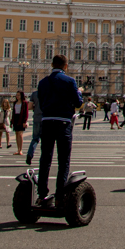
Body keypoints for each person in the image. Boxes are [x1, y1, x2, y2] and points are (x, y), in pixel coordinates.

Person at [36, 55, 83, 206]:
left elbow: (41, 102)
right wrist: (79, 93)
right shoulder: (70, 81)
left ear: (52, 65)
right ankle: (60, 195)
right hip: (63, 123)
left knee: (45, 158)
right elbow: (78, 103)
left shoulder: (43, 82)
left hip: (47, 121)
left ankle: (42, 193)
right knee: (63, 161)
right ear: (65, 66)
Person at [26, 89, 43, 165]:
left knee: (35, 139)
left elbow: (29, 107)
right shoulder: (48, 92)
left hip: (36, 118)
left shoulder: (34, 94)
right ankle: (43, 158)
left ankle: (30, 154)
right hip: (46, 118)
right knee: (46, 140)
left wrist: (35, 108)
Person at [11, 91, 29, 155]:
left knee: (20, 134)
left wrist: (25, 121)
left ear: (21, 96)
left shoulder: (24, 103)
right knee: (16, 133)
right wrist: (11, 121)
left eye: (18, 95)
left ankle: (20, 149)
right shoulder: (15, 103)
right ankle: (18, 149)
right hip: (16, 118)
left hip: (21, 119)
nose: (17, 96)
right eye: (16, 95)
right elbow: (13, 112)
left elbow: (26, 113)